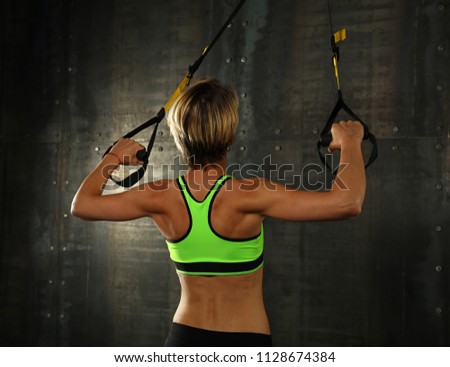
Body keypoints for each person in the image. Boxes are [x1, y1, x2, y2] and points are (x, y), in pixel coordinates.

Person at [71, 78, 366, 347]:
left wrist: (113, 157)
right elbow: (347, 202)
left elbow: (82, 205)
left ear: (179, 139)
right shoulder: (250, 193)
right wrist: (350, 141)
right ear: (231, 137)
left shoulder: (158, 195)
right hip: (245, 341)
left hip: (184, 340)